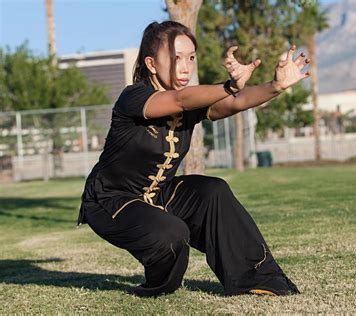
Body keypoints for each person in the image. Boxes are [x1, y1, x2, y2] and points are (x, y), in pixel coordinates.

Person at [77, 20, 310, 297]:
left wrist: (276, 85)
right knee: (172, 233)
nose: (186, 66)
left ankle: (255, 277)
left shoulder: (191, 99)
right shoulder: (134, 97)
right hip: (110, 199)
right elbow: (180, 100)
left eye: (191, 58)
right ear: (151, 64)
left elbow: (234, 102)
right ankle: (157, 286)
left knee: (214, 191)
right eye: (176, 58)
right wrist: (229, 85)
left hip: (157, 194)